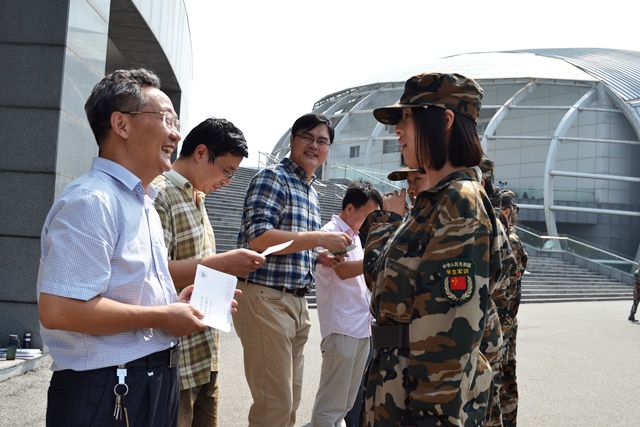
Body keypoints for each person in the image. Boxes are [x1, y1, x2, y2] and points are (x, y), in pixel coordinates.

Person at [36, 68, 212, 426]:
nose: (176, 133)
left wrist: (171, 306)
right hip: (107, 386)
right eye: (166, 118)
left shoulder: (143, 200)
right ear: (122, 124)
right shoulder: (91, 200)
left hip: (149, 380)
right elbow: (60, 310)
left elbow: (124, 293)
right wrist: (161, 317)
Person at [361, 72, 502, 426]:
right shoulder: (431, 202)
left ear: (445, 120)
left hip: (421, 403)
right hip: (395, 387)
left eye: (407, 118)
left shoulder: (460, 204)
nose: (398, 130)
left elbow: (449, 336)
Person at [235, 112, 353, 427]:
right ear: (292, 140)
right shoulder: (272, 177)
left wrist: (319, 256)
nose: (314, 146)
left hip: (297, 302)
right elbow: (258, 238)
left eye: (322, 141)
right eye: (307, 137)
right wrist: (320, 238)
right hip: (265, 296)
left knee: (290, 402)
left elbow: (293, 245)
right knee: (275, 403)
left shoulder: (311, 191)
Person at [152, 118, 266, 427]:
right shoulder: (160, 194)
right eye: (227, 170)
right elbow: (153, 273)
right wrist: (222, 264)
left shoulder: (197, 196)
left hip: (204, 352)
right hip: (175, 357)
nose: (228, 181)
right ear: (201, 152)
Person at [311, 181, 383, 427]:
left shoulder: (355, 237)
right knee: (331, 406)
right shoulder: (330, 233)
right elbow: (341, 271)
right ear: (350, 209)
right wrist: (383, 259)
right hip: (342, 327)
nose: (369, 222)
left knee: (346, 405)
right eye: (368, 216)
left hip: (360, 327)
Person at [479, 158, 516, 427]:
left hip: (495, 327)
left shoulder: (487, 220)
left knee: (493, 394)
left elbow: (504, 291)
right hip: (498, 327)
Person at [498, 189, 528, 427]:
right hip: (506, 321)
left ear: (505, 211)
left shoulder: (509, 241)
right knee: (506, 380)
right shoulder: (512, 238)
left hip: (502, 323)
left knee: (501, 382)